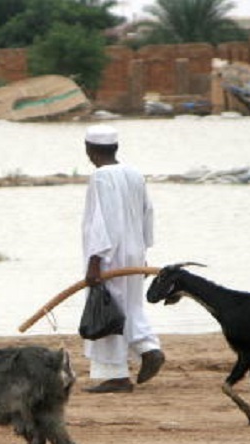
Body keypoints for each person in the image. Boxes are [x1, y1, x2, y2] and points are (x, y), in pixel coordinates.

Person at [80, 124, 165, 393]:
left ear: (90, 150)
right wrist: (143, 250)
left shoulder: (101, 177)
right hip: (133, 251)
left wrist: (95, 261)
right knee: (129, 305)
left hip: (109, 254)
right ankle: (148, 348)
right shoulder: (134, 173)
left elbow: (100, 222)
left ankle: (116, 374)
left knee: (107, 309)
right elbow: (147, 213)